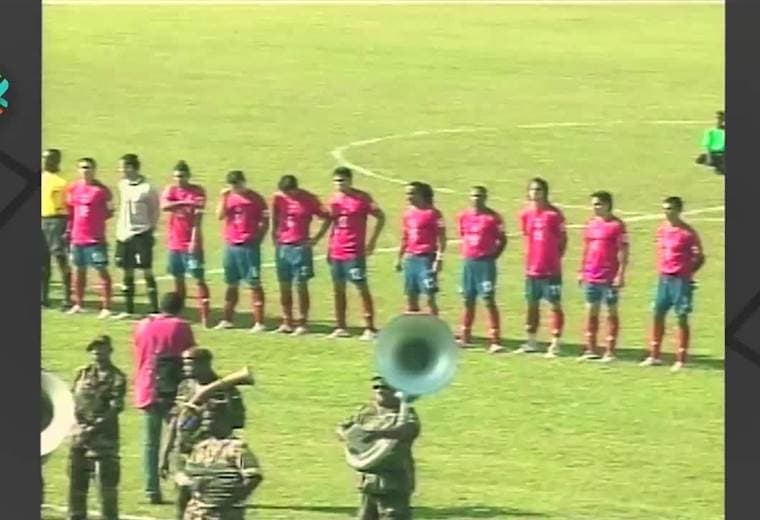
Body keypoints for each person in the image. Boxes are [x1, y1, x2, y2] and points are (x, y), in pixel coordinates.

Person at [160, 348, 246, 520]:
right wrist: (165, 453)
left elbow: (237, 421)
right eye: (185, 363)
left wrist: (211, 416)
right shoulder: (185, 387)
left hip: (211, 458)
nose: (185, 368)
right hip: (185, 455)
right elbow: (176, 421)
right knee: (182, 501)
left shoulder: (225, 389)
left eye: (190, 363)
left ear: (205, 363)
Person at [133, 291, 197, 504]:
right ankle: (182, 487)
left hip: (148, 387)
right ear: (180, 307)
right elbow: (190, 354)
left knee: (150, 442)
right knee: (180, 439)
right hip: (173, 390)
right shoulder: (181, 326)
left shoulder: (143, 325)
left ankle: (151, 489)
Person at [336, 376, 420, 520]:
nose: (379, 390)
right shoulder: (366, 413)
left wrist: (378, 434)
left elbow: (408, 430)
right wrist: (347, 436)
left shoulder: (405, 415)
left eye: (385, 388)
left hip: (393, 481)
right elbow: (342, 427)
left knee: (393, 515)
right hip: (368, 481)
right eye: (376, 387)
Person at [641, 196, 705, 372]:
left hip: (680, 280)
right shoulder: (662, 230)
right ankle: (654, 355)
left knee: (681, 317)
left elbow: (700, 257)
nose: (666, 212)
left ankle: (681, 359)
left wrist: (688, 273)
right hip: (663, 278)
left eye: (670, 209)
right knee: (657, 313)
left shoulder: (688, 233)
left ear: (678, 210)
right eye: (664, 209)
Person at [68, 335, 127, 520]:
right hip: (79, 438)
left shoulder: (117, 377)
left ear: (109, 350)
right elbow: (70, 401)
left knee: (106, 490)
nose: (96, 352)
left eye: (101, 348)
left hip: (104, 441)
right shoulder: (81, 373)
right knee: (77, 487)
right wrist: (79, 426)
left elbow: (115, 408)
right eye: (93, 349)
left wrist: (93, 428)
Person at [325, 166, 386, 340]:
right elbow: (333, 225)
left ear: (350, 181)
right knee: (338, 289)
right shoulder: (334, 200)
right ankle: (340, 326)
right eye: (336, 181)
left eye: (342, 180)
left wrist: (372, 241)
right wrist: (329, 247)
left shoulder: (362, 198)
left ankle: (369, 327)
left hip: (354, 251)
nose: (339, 184)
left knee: (361, 287)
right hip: (337, 251)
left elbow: (380, 217)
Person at [178, 399, 263, 520]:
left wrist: (228, 502)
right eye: (205, 419)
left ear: (225, 421)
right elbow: (186, 485)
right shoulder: (200, 448)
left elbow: (253, 478)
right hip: (195, 514)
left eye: (211, 419)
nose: (206, 424)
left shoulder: (237, 448)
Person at [270, 174, 331, 335]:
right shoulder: (278, 198)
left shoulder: (309, 199)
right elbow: (275, 216)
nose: (287, 195)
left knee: (301, 285)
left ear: (295, 189)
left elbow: (327, 217)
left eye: (289, 192)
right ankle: (287, 321)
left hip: (301, 248)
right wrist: (274, 235)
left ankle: (303, 322)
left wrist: (315, 239)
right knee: (284, 285)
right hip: (283, 247)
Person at [515, 177, 567, 358]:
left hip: (551, 270)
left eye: (538, 190)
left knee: (554, 305)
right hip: (532, 269)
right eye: (532, 190)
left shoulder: (554, 215)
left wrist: (553, 259)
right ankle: (531, 340)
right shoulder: (525, 214)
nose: (535, 193)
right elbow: (526, 236)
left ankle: (555, 342)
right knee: (532, 305)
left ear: (545, 193)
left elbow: (562, 241)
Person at [577, 191, 629, 362]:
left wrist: (620, 274)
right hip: (591, 274)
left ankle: (610, 351)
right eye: (593, 204)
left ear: (607, 205)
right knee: (591, 311)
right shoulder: (591, 224)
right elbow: (586, 248)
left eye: (598, 204)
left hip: (609, 276)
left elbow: (623, 251)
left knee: (610, 312)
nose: (595, 207)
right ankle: (591, 349)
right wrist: (581, 270)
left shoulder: (617, 226)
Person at [215, 170, 270, 332]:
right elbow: (219, 216)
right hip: (231, 245)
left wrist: (258, 239)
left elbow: (265, 220)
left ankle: (259, 322)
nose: (235, 188)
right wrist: (223, 198)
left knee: (254, 283)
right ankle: (227, 319)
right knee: (231, 283)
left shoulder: (256, 198)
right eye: (232, 186)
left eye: (238, 185)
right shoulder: (228, 197)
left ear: (243, 182)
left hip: (248, 246)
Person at [456, 186, 507, 353]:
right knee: (467, 299)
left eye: (479, 196)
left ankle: (495, 339)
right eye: (473, 196)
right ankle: (465, 336)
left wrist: (493, 256)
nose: (476, 199)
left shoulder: (493, 218)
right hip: (468, 263)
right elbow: (463, 235)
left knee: (488, 300)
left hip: (485, 264)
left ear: (485, 197)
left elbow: (502, 239)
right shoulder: (464, 216)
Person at [161, 160, 211, 327]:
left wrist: (194, 240)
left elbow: (198, 218)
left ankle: (205, 317)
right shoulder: (171, 190)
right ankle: (179, 313)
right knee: (178, 279)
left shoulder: (197, 191)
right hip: (174, 243)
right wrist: (184, 203)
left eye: (182, 176)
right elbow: (164, 206)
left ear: (188, 176)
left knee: (198, 279)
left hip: (190, 243)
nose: (179, 179)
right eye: (176, 176)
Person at [113, 153, 161, 319]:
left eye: (122, 167)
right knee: (127, 272)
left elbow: (155, 211)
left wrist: (150, 230)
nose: (120, 170)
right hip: (123, 235)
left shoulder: (147, 188)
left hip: (141, 234)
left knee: (146, 271)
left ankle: (155, 310)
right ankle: (129, 310)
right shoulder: (122, 185)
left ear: (131, 168)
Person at [65, 157, 115, 318]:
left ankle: (106, 307)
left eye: (88, 167)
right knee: (78, 271)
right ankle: (79, 304)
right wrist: (69, 230)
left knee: (101, 271)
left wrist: (96, 220)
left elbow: (110, 211)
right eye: (82, 167)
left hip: (95, 239)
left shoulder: (101, 190)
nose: (85, 170)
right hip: (77, 238)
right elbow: (70, 211)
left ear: (94, 169)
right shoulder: (73, 188)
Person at [395, 182, 446, 315]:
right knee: (411, 298)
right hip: (410, 259)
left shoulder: (434, 214)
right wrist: (399, 258)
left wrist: (439, 258)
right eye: (407, 193)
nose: (408, 196)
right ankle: (414, 325)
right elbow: (405, 237)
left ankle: (434, 324)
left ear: (421, 194)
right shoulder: (408, 214)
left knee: (429, 297)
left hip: (426, 259)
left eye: (412, 193)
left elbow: (442, 237)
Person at [41, 148, 72, 309]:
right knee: (42, 262)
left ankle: (67, 298)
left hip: (57, 221)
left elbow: (69, 205)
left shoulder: (62, 182)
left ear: (57, 160)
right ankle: (43, 298)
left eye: (49, 158)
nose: (45, 161)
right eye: (44, 158)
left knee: (60, 259)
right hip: (41, 220)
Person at [695, 110, 725, 175]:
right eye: (718, 119)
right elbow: (707, 146)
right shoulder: (710, 131)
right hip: (714, 155)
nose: (719, 121)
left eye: (720, 119)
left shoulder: (711, 131)